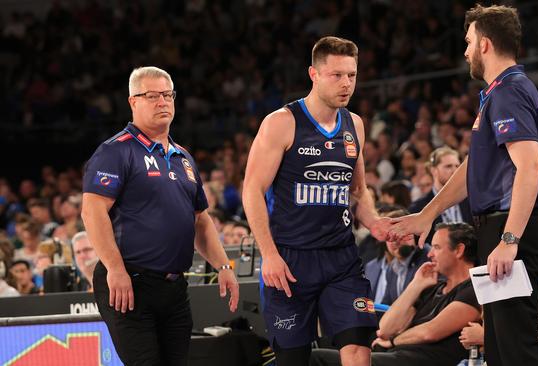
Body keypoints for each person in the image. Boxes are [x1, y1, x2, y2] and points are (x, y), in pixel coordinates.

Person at [389, 5, 538, 365]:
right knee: (500, 349)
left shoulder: (509, 91)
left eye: (468, 42)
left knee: (517, 349)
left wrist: (509, 239)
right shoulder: (499, 93)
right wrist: (428, 213)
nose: (465, 51)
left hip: (514, 227)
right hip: (504, 227)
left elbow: (531, 167)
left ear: (484, 44)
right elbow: (474, 169)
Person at [242, 36, 390, 366]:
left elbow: (357, 190)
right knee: (293, 358)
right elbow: (251, 190)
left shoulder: (355, 125)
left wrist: (376, 223)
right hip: (290, 259)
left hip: (340, 258)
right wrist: (268, 254)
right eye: (336, 75)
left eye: (351, 75)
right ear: (314, 74)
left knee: (358, 346)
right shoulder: (281, 123)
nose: (346, 83)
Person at [81, 66, 239, 365]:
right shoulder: (115, 151)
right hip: (130, 281)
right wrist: (115, 269)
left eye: (167, 95)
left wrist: (223, 265)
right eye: (152, 95)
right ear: (133, 102)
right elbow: (92, 211)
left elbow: (201, 220)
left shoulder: (183, 157)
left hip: (174, 288)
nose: (162, 102)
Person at [310, 222, 481, 366]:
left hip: (424, 360)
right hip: (398, 355)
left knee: (316, 358)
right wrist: (415, 285)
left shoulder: (473, 289)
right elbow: (385, 329)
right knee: (318, 349)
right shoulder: (432, 287)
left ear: (459, 250)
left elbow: (430, 332)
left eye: (436, 247)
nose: (430, 253)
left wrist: (394, 341)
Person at [408, 147, 472, 244]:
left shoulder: (470, 201)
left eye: (457, 166)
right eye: (448, 166)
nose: (454, 171)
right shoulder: (418, 208)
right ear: (433, 170)